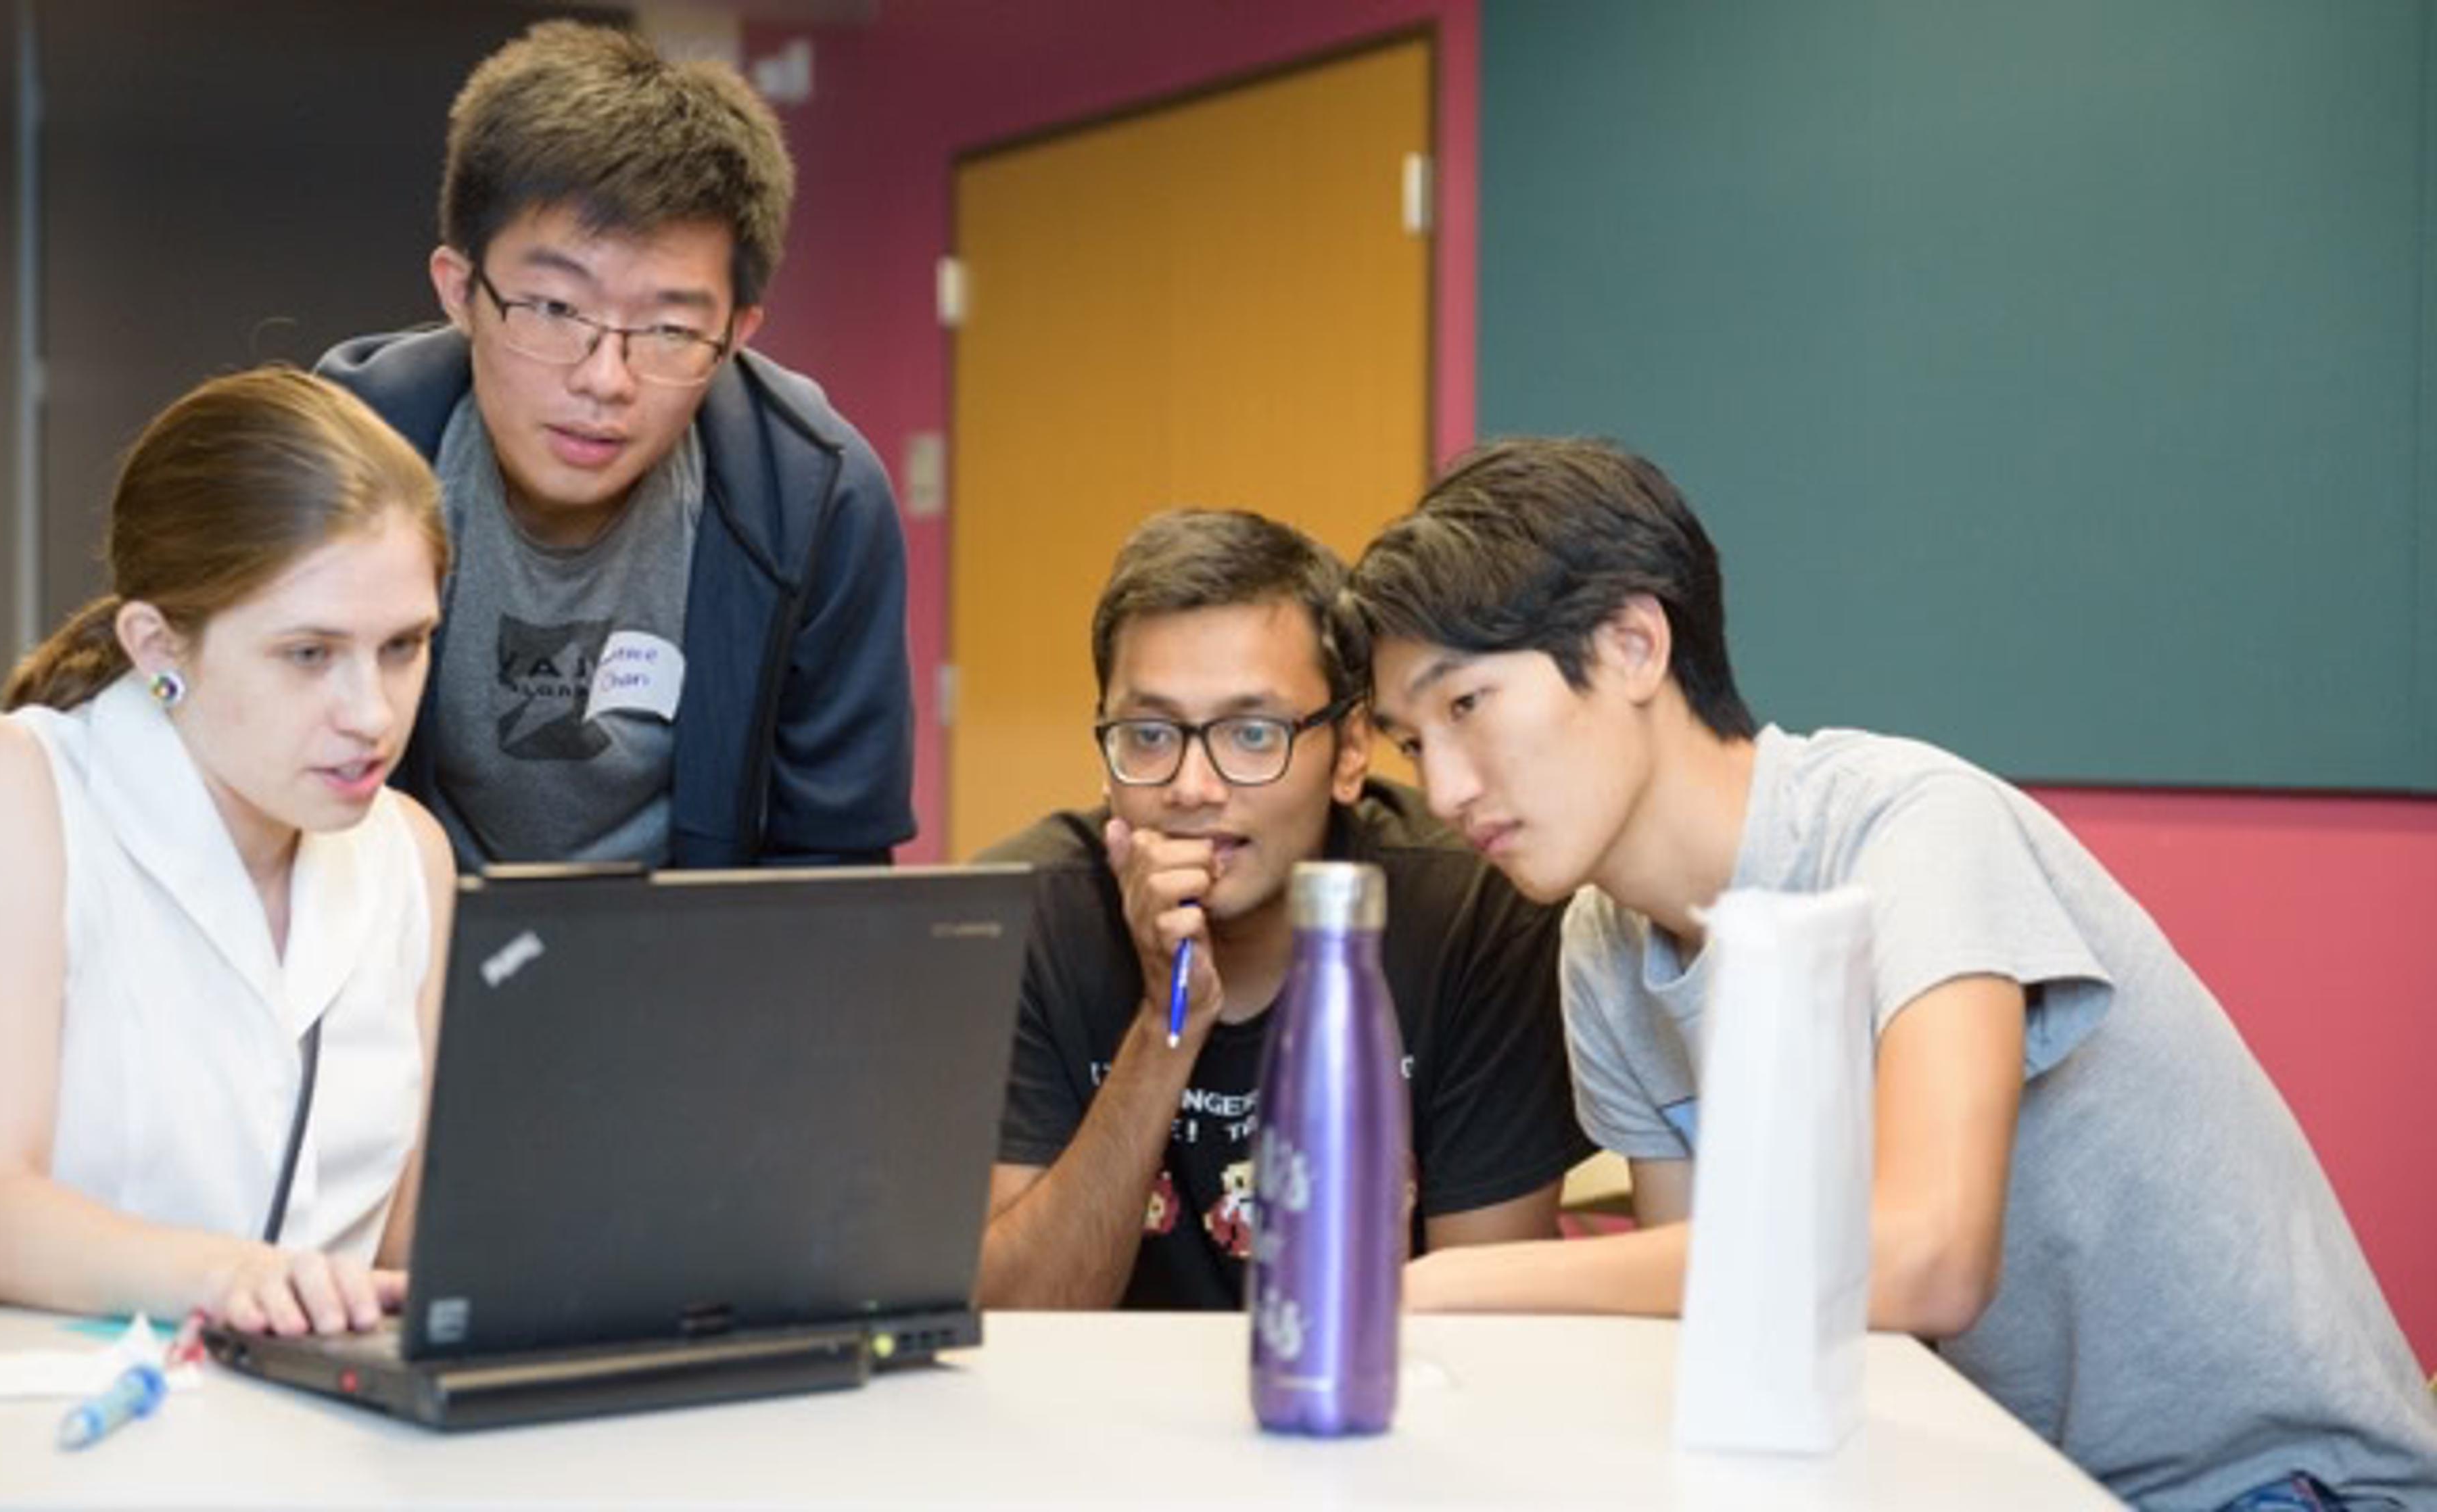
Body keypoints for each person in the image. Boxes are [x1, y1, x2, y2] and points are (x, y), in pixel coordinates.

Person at [1349, 437, 2437, 1509]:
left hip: (2272, 1486)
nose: (1443, 789)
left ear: (1634, 645)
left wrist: (1459, 1280)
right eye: (1411, 743)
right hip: (1990, 1478)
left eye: (1467, 706)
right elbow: (1722, 1315)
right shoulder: (1603, 947)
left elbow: (1931, 1260)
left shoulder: (1909, 831)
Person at [0, 367, 456, 1336]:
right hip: (48, 1413)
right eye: (309, 654)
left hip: (321, 1417)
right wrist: (236, 1277)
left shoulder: (411, 855)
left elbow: (408, 1245)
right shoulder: (12, 791)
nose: (372, 714)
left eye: (403, 646)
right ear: (156, 646)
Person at [321, 20, 914, 870]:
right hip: (393, 939)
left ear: (737, 335)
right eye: (555, 309)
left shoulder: (816, 499)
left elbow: (830, 869)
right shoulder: (341, 459)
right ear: (459, 290)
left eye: (670, 328)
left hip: (698, 949)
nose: (605, 379)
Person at [976, 510, 1590, 1310]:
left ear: (1351, 750)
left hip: (1376, 1380)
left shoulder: (1471, 910)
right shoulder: (1022, 914)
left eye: (1253, 733)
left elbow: (1486, 1321)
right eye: (1150, 734)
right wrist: (1166, 1024)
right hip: (1098, 1390)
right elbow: (1019, 1322)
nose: (1192, 787)